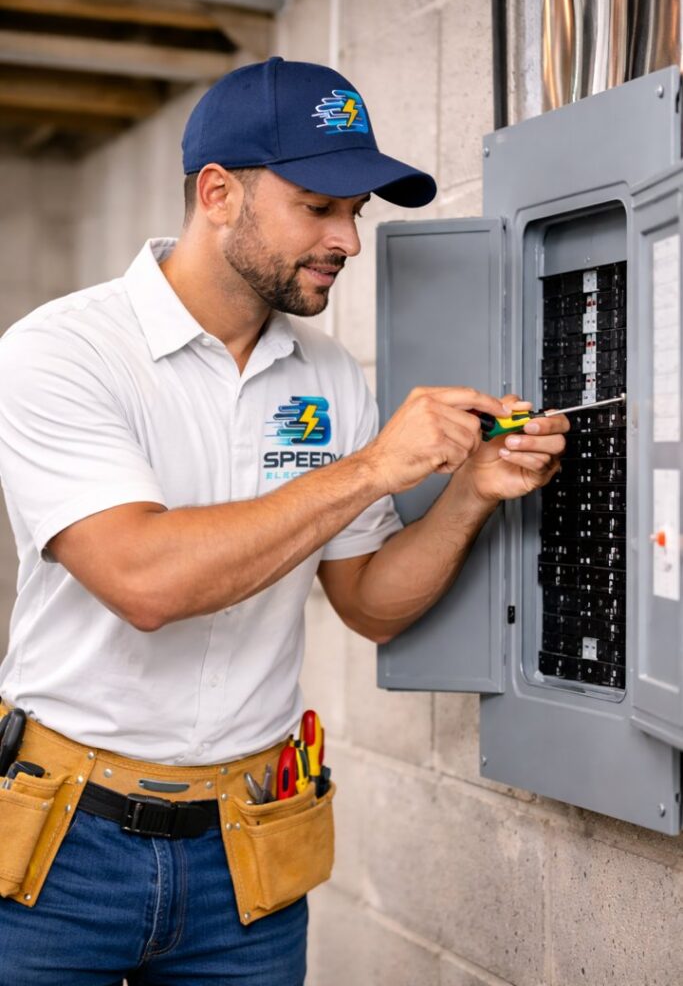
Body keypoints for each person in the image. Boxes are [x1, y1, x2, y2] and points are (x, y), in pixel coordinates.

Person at [0, 57, 568, 985]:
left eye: (358, 212)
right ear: (219, 193)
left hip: (249, 848)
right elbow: (146, 583)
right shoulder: (63, 353)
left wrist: (471, 490)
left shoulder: (327, 374)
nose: (348, 237)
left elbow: (371, 604)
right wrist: (375, 466)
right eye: (318, 205)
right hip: (62, 847)